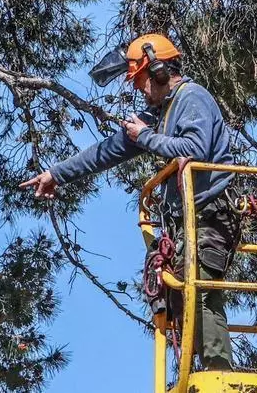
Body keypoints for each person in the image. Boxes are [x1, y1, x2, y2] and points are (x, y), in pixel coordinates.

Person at [19, 34, 240, 372]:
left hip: (210, 214)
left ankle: (219, 375)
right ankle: (197, 371)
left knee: (201, 290)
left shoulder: (192, 97)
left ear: (159, 71)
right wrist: (56, 174)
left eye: (140, 81)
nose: (140, 91)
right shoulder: (159, 115)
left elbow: (194, 149)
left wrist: (146, 137)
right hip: (185, 223)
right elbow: (106, 151)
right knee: (178, 298)